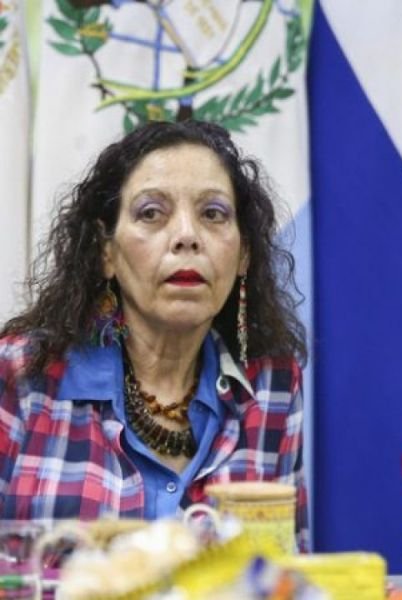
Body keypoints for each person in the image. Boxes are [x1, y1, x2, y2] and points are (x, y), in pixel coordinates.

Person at [0, 120, 309, 550]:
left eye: (213, 214)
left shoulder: (271, 386)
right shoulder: (21, 373)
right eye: (151, 213)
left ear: (244, 255)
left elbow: (289, 578)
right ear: (106, 252)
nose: (186, 236)